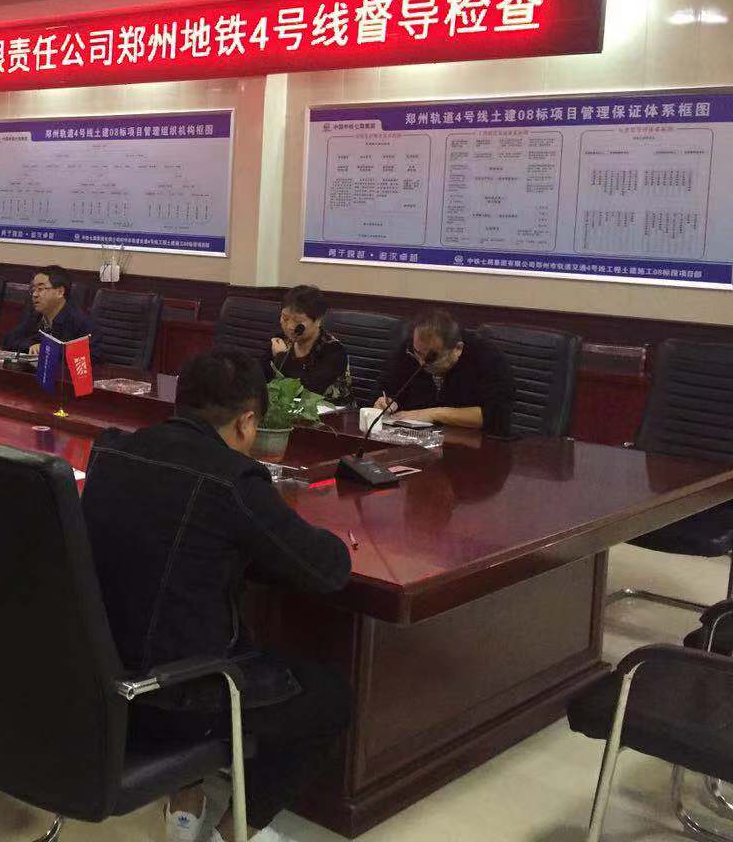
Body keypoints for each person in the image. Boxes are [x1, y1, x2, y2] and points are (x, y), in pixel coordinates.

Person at [82, 349, 352, 842]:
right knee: (330, 699)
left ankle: (184, 801)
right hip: (178, 699)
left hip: (100, 684)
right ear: (247, 421)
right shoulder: (232, 477)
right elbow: (326, 570)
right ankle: (237, 831)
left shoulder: (112, 450)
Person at [375, 309, 514, 436]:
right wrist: (389, 403)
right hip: (415, 438)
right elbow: (387, 387)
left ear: (458, 349)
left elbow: (495, 416)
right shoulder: (409, 350)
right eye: (418, 353)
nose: (421, 363)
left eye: (431, 358)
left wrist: (433, 414)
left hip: (473, 442)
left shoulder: (487, 357)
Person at [266, 284, 352, 403]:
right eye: (285, 318)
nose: (290, 326)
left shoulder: (333, 350)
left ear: (318, 320)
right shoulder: (280, 341)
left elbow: (308, 392)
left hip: (329, 411)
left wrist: (281, 356)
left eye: (298, 321)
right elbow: (260, 378)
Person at [3, 265, 96, 358]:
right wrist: (31, 345)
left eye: (40, 289)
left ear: (60, 292)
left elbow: (93, 354)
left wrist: (48, 349)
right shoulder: (35, 316)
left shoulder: (80, 322)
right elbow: (9, 341)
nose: (34, 294)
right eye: (33, 290)